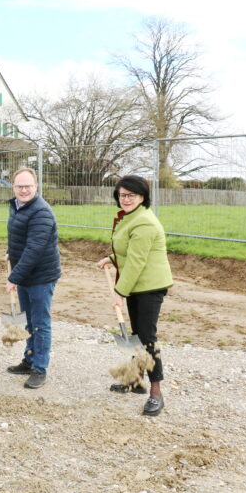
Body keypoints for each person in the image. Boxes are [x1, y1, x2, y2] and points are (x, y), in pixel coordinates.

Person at [97, 175, 173, 417]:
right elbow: (128, 250)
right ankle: (135, 381)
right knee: (138, 335)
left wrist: (119, 292)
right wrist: (111, 258)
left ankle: (156, 393)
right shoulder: (130, 217)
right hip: (137, 284)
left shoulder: (144, 222)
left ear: (142, 197)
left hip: (150, 286)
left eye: (131, 195)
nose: (126, 199)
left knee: (147, 338)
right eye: (122, 195)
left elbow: (137, 260)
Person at [5, 167, 61, 389]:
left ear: (36, 187)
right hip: (26, 274)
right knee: (29, 321)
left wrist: (13, 277)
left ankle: (40, 369)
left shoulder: (41, 212)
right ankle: (29, 360)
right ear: (13, 187)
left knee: (40, 323)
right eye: (19, 186)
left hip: (40, 276)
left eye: (28, 186)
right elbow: (20, 236)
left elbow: (34, 248)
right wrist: (10, 253)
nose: (24, 190)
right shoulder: (17, 206)